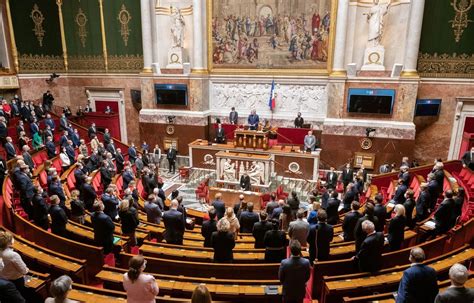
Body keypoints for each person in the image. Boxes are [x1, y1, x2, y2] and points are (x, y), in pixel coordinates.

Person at [0, 231, 31, 302]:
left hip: (3, 279)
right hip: (16, 280)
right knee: (19, 297)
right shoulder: (13, 255)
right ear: (8, 243)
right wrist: (27, 269)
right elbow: (23, 270)